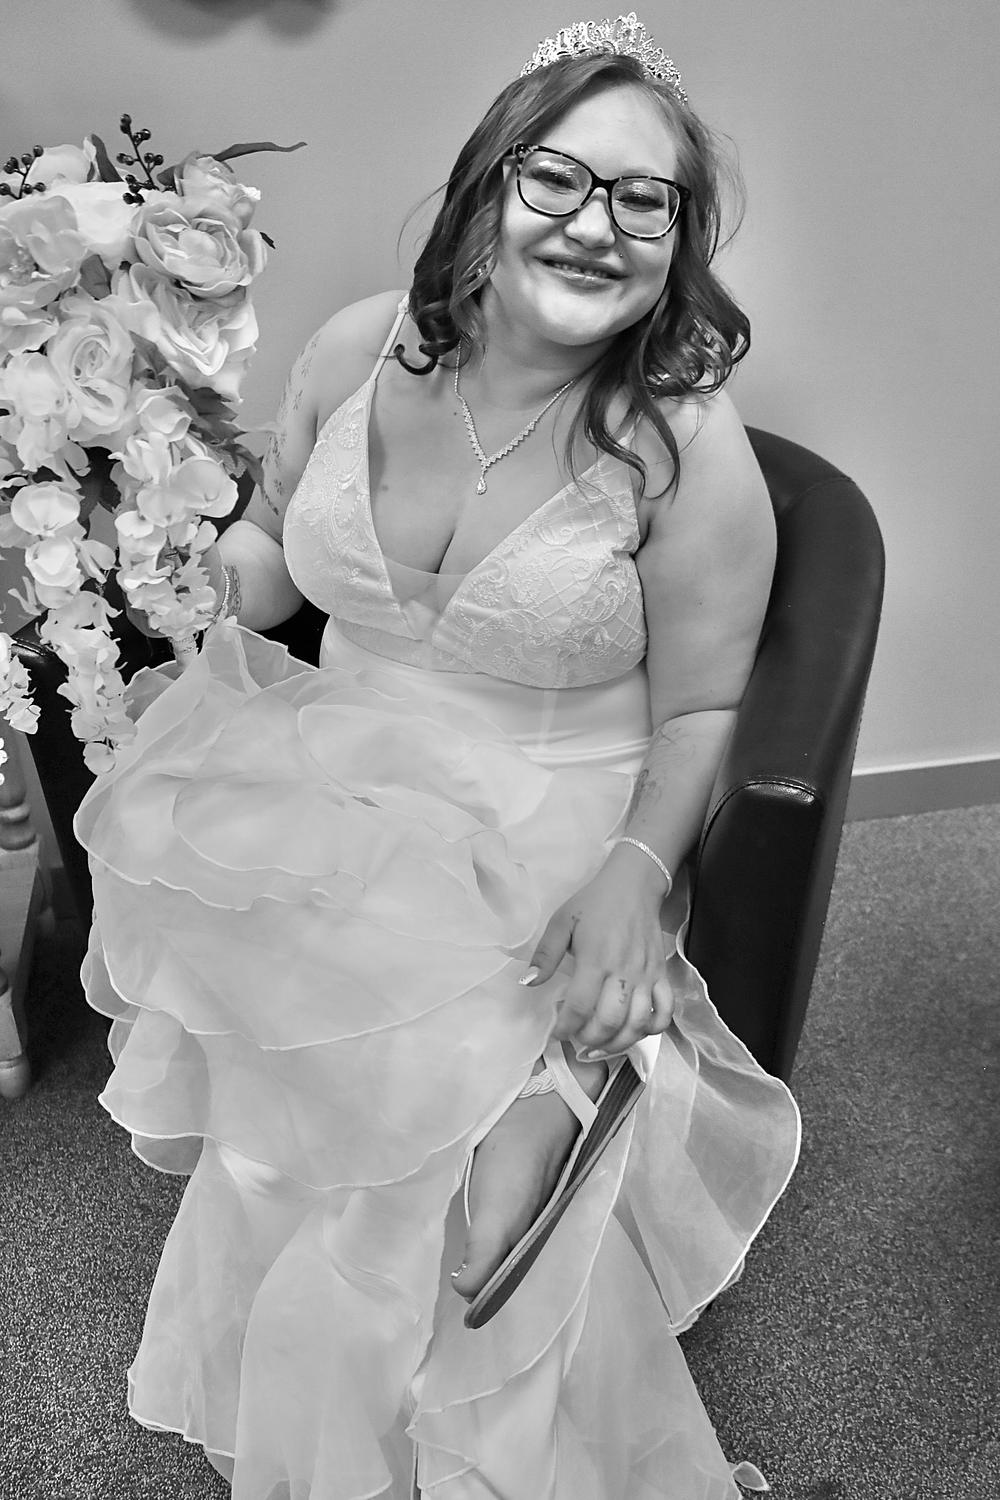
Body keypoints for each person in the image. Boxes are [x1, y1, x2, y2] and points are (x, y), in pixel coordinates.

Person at [76, 16, 801, 1499]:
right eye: (560, 180)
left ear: (678, 242)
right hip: (334, 778)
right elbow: (273, 543)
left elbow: (700, 714)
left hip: (544, 810)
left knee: (432, 1191)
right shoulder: (363, 348)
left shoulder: (681, 444)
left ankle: (543, 1114)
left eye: (645, 200)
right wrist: (180, 580)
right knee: (300, 1099)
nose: (596, 226)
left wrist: (634, 875)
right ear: (487, 186)